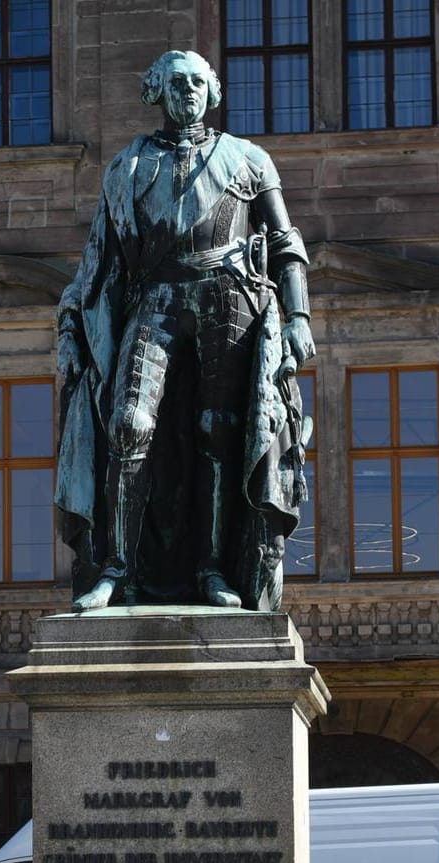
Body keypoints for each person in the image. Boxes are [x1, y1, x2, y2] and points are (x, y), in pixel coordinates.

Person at [55, 49, 315, 614]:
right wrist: (72, 328)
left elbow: (285, 242)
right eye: (177, 82)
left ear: (213, 90)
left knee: (218, 433)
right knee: (129, 424)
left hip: (229, 298)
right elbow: (99, 262)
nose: (189, 91)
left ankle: (213, 569)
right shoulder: (125, 168)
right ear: (156, 91)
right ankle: (117, 570)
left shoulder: (248, 159)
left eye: (199, 81)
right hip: (157, 297)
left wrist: (297, 318)